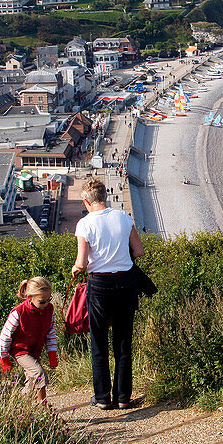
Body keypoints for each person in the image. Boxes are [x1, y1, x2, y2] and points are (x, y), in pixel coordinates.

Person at [72, 176, 144, 410]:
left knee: (99, 342)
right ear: (105, 197)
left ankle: (102, 397)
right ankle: (123, 397)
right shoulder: (123, 217)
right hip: (126, 281)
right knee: (123, 341)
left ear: (86, 201)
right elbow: (139, 251)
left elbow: (81, 263)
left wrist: (75, 270)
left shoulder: (85, 224)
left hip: (100, 284)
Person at [0, 277, 58, 405]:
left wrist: (52, 355)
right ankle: (43, 407)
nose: (46, 304)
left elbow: (50, 333)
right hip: (20, 350)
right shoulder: (18, 312)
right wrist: (4, 359)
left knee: (31, 380)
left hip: (35, 350)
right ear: (30, 297)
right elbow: (5, 336)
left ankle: (17, 404)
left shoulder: (49, 310)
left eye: (49, 300)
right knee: (39, 373)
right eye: (42, 301)